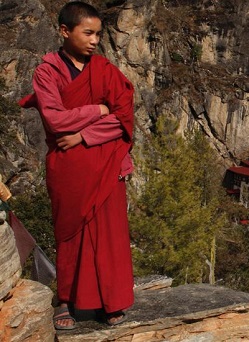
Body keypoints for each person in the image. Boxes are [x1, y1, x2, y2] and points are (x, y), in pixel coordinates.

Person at [19, 1, 135, 330]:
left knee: (109, 235)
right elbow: (55, 120)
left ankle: (109, 301)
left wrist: (84, 134)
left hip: (106, 162)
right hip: (68, 167)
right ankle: (66, 300)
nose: (95, 41)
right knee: (70, 235)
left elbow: (125, 118)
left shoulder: (105, 70)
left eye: (98, 34)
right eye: (88, 33)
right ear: (65, 31)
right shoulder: (47, 72)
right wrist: (97, 111)